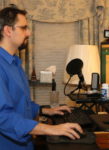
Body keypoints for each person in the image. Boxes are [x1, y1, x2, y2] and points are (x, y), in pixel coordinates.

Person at [0, 6, 83, 150]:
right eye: (24, 28)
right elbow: (3, 117)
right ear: (8, 30)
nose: (29, 32)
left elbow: (21, 103)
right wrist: (51, 129)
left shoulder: (14, 62)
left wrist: (45, 110)